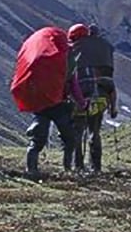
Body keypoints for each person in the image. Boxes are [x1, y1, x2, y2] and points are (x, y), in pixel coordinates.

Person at [14, 26, 85, 181]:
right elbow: (73, 83)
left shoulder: (49, 55)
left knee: (38, 138)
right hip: (59, 103)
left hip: (41, 101)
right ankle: (67, 169)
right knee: (69, 138)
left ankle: (31, 169)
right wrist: (81, 102)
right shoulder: (69, 57)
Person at [67, 23, 118, 173]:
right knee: (94, 131)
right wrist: (113, 107)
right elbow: (111, 85)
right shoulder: (105, 49)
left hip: (80, 95)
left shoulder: (75, 49)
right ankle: (96, 166)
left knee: (77, 130)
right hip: (102, 97)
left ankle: (78, 165)